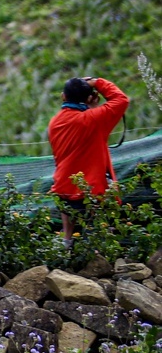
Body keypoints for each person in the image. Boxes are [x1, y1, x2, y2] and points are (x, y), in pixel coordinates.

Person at [51, 75, 129, 241]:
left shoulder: (56, 122)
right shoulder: (94, 120)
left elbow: (81, 125)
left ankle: (65, 247)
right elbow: (121, 100)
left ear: (63, 97)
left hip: (64, 187)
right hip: (91, 190)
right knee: (98, 236)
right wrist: (98, 82)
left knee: (68, 237)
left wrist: (90, 108)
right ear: (88, 98)